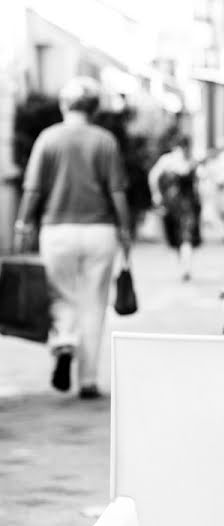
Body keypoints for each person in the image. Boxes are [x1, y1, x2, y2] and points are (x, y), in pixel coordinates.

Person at [13, 76, 132, 400]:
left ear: (64, 105)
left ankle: (64, 341)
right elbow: (117, 191)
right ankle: (89, 380)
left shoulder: (48, 139)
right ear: (94, 108)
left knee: (60, 295)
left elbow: (33, 189)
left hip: (57, 230)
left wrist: (23, 225)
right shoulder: (105, 141)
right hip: (100, 231)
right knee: (94, 303)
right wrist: (125, 230)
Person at [148, 134, 201, 281]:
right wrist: (156, 194)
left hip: (186, 205)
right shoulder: (168, 160)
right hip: (173, 205)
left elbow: (197, 184)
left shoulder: (191, 161)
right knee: (177, 237)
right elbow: (153, 176)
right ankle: (184, 265)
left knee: (186, 236)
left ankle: (186, 267)